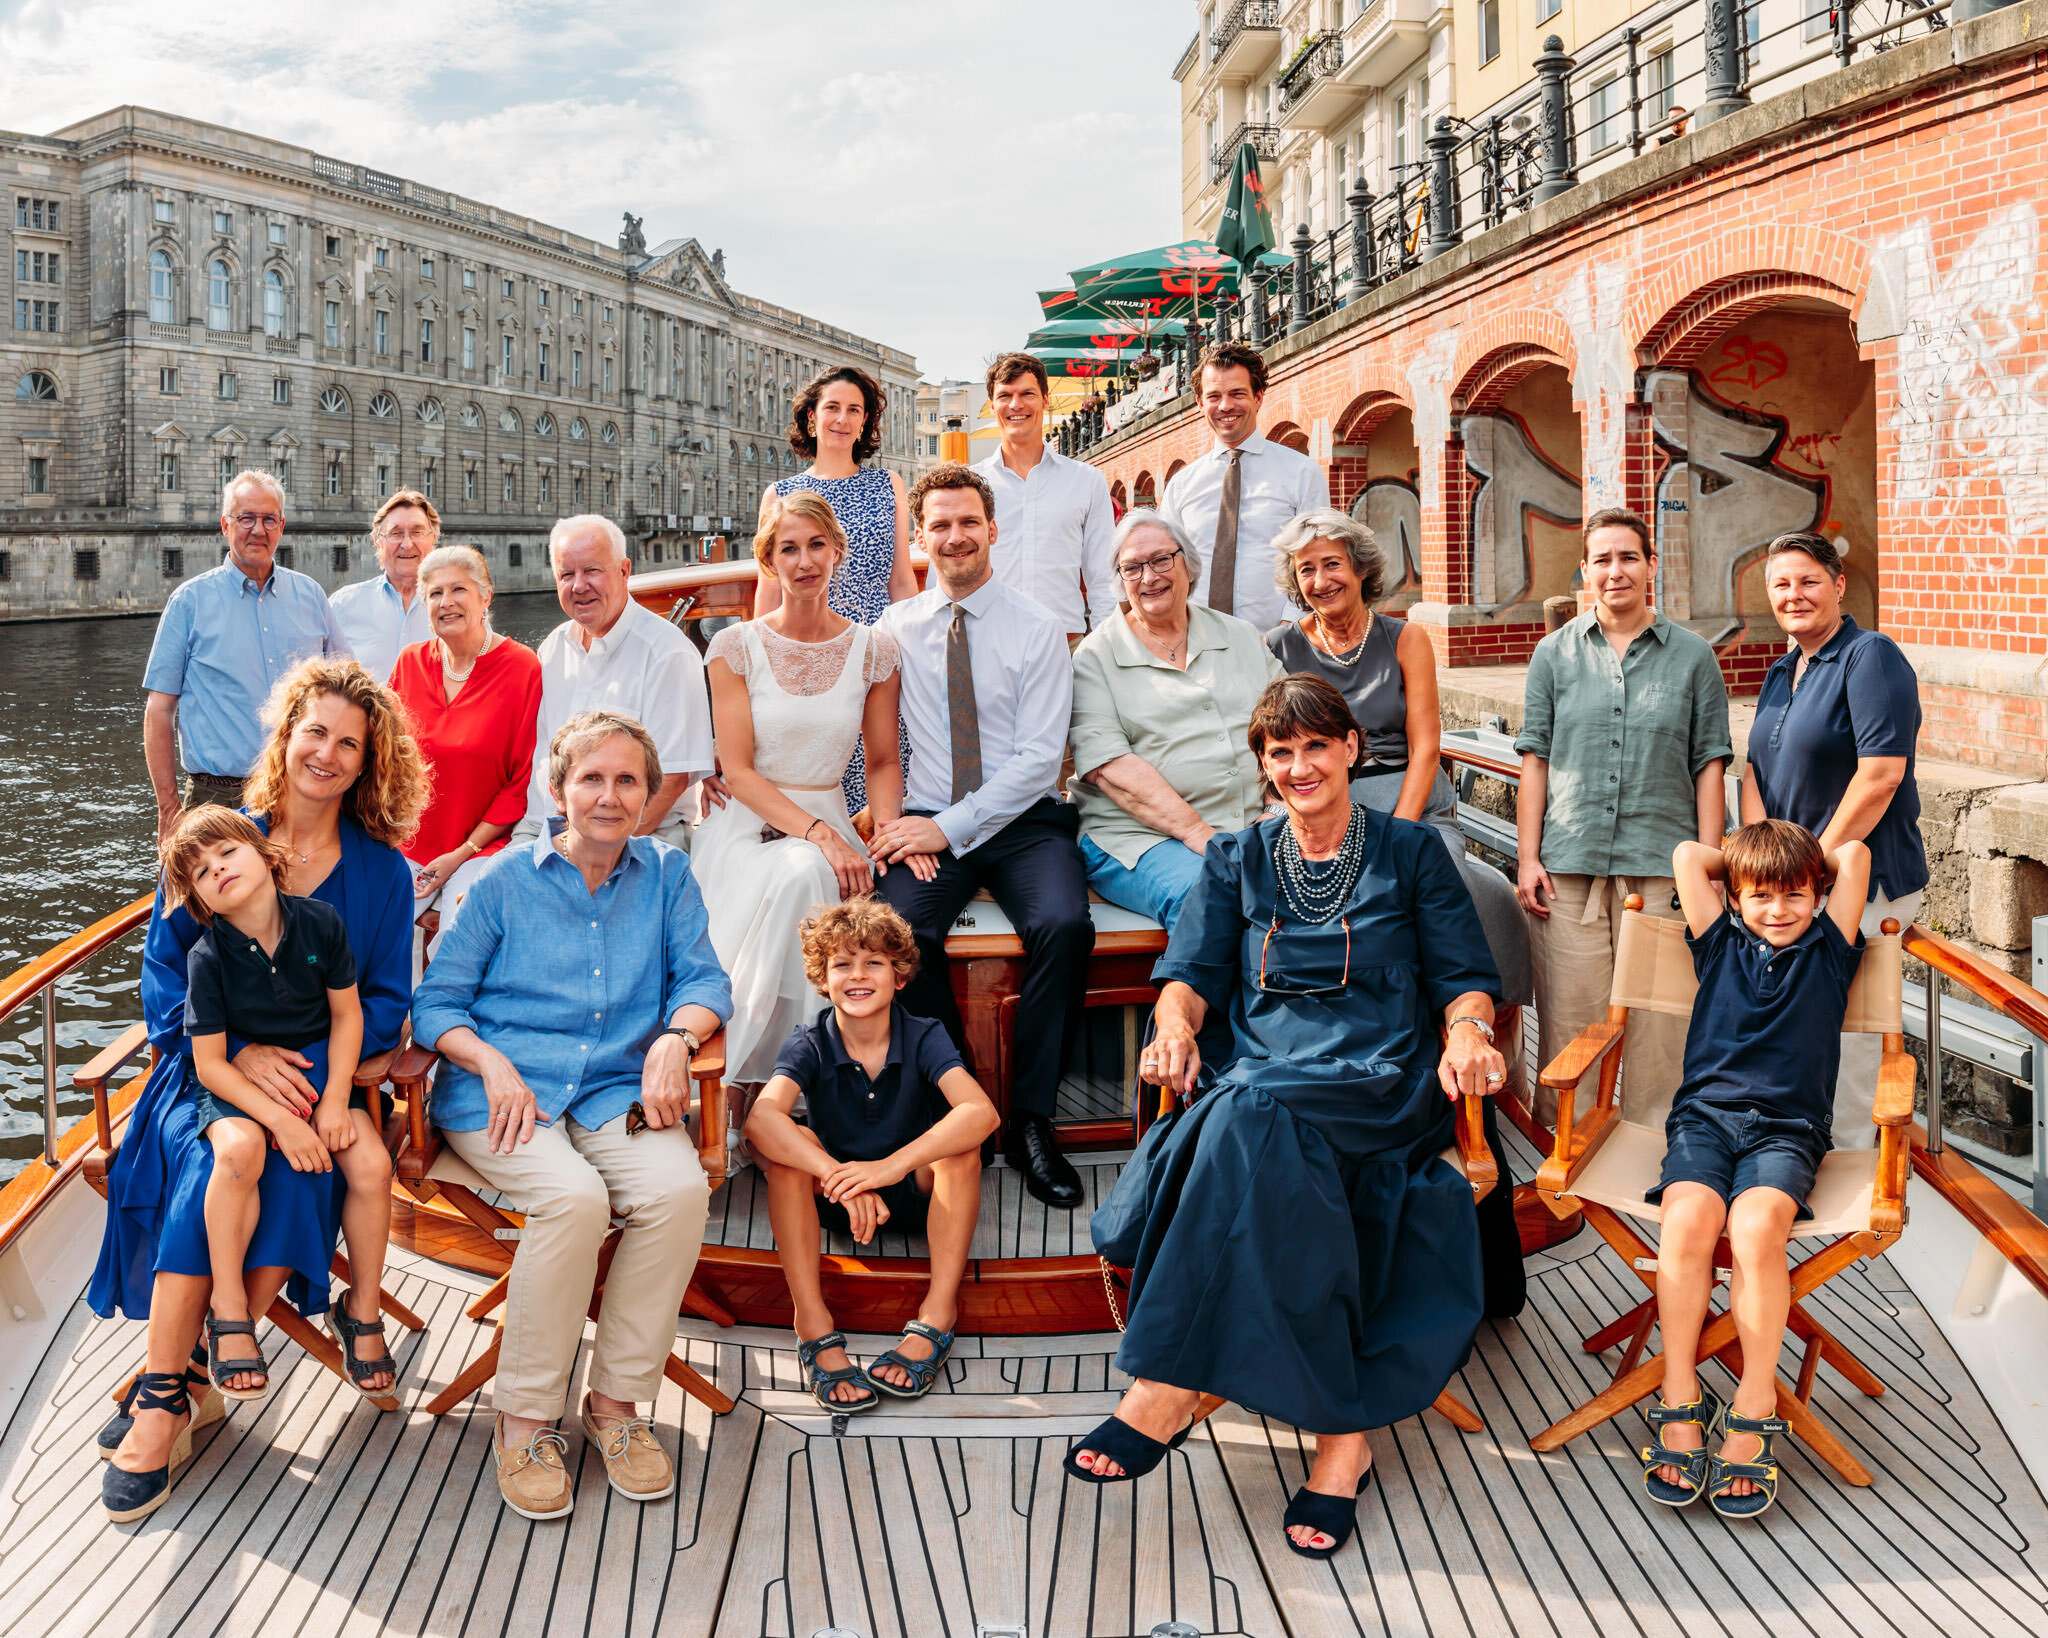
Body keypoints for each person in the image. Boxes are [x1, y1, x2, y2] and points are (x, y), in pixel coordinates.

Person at [1075, 675, 1506, 1562]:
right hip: (1271, 1072)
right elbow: (1189, 975)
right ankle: (1342, 1440)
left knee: (1243, 1116)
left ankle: (1165, 1386)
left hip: (1382, 1075)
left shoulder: (1414, 852)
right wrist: (1171, 1030)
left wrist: (1466, 1034)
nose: (1301, 765)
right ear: (1264, 767)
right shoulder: (1237, 858)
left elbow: (1465, 977)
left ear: (1352, 749)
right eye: (1281, 752)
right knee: (1250, 1115)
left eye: (1317, 745)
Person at [94, 656, 424, 1524]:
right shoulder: (216, 846)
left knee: (306, 1160)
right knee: (218, 1169)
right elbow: (166, 984)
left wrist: (311, 1074)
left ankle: (191, 1374)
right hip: (207, 1077)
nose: (328, 752)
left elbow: (386, 1000)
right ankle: (171, 1389)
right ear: (287, 736)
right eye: (314, 730)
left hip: (330, 1082)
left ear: (368, 761)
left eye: (349, 742)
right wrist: (244, 1057)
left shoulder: (383, 874)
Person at [412, 711, 733, 1523]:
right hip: (501, 1097)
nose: (609, 795)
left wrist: (674, 1038)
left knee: (677, 1190)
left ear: (649, 794)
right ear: (557, 792)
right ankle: (523, 1420)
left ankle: (617, 1405)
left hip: (613, 1091)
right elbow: (435, 1006)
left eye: (628, 780)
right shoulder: (496, 883)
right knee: (575, 1201)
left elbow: (705, 983)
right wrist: (488, 1061)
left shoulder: (666, 875)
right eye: (591, 778)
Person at [870, 464, 1091, 1211]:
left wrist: (946, 824)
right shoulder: (893, 631)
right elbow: (878, 743)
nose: (955, 536)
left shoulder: (1036, 627)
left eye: (969, 522)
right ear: (921, 537)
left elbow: (1038, 762)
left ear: (992, 530)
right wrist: (907, 825)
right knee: (898, 931)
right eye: (940, 525)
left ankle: (1032, 1118)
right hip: (932, 821)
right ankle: (964, 1101)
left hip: (1023, 822)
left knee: (1064, 924)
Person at [1643, 822, 1870, 1521]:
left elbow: (1855, 854)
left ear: (1818, 894)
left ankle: (1753, 1398)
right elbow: (1687, 855)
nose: (1777, 910)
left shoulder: (1829, 950)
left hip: (1786, 1130)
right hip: (1704, 1119)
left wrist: (1804, 864)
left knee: (1755, 1229)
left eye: (1795, 895)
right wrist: (1749, 866)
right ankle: (1679, 1391)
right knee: (1685, 1226)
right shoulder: (1719, 941)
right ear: (1734, 897)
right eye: (1760, 897)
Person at [158, 806, 394, 1408]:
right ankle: (229, 1308)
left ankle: (361, 1310)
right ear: (201, 901)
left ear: (265, 854)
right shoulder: (206, 959)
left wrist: (337, 1101)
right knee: (238, 1151)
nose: (218, 870)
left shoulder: (320, 924)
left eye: (227, 853)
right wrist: (283, 1122)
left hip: (319, 1078)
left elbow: (348, 1015)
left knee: (371, 1167)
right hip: (237, 1089)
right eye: (203, 872)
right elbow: (210, 1064)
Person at [1515, 508, 1732, 1127]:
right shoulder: (1553, 655)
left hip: (1665, 871)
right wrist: (1528, 858)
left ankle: (1656, 1147)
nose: (1616, 572)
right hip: (1569, 867)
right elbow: (1536, 759)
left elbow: (1709, 765)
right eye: (1602, 560)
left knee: (1662, 1026)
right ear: (1585, 571)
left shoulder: (1693, 658)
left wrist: (1710, 869)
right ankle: (1566, 1155)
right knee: (1569, 1022)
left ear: (1650, 566)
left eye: (1628, 557)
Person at [746, 899, 999, 1411]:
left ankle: (937, 1313)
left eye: (873, 963)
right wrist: (837, 1175)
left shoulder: (923, 1033)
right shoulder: (811, 1041)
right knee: (788, 1156)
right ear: (823, 977)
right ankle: (811, 1321)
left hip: (911, 1193)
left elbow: (981, 1112)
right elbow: (759, 1120)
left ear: (899, 976)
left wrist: (887, 1168)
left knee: (960, 1147)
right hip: (836, 1197)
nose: (857, 976)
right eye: (842, 964)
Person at [697, 489, 907, 1089]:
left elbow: (885, 761)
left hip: (834, 821)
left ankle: (801, 1085)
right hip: (749, 825)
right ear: (770, 561)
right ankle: (763, 1083)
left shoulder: (874, 650)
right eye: (788, 548)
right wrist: (819, 837)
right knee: (801, 871)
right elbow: (736, 772)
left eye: (817, 545)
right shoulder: (735, 648)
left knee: (819, 874)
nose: (805, 560)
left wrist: (886, 831)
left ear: (838, 552)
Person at [1743, 530, 1927, 1141]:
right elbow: (1755, 773)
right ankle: (1796, 1150)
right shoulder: (1780, 670)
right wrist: (1755, 867)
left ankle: (1848, 1176)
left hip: (1859, 887)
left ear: (1839, 585)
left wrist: (1807, 871)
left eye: (1808, 581)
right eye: (1780, 584)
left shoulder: (1869, 656)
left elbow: (1880, 776)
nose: (1793, 595)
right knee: (1798, 1028)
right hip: (1791, 891)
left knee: (1848, 1042)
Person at [1069, 509, 1279, 932]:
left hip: (1255, 824)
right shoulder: (1095, 658)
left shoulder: (1238, 636)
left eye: (1161, 560)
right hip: (1141, 838)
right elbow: (1111, 769)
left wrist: (1277, 808)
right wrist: (1201, 834)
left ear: (1188, 564)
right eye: (1131, 567)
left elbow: (1294, 725)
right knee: (1208, 898)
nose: (1149, 577)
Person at [142, 469, 351, 835]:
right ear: (225, 525)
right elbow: (159, 712)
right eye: (246, 518)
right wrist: (168, 809)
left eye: (269, 519)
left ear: (282, 525)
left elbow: (348, 690)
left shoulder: (311, 596)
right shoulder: (189, 602)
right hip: (218, 797)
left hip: (301, 790)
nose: (258, 529)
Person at [758, 365, 916, 814]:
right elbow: (769, 589)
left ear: (865, 421)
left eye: (854, 410)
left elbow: (901, 580)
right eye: (832, 408)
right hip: (808, 650)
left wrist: (910, 655)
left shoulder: (888, 485)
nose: (842, 419)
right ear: (811, 416)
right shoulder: (782, 493)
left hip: (875, 649)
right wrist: (760, 662)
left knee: (882, 760)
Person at [1266, 508, 1460, 851]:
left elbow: (1425, 749)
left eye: (1332, 564)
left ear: (1360, 568)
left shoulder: (1406, 639)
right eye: (1306, 570)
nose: (1321, 582)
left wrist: (1400, 832)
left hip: (1412, 805)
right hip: (1322, 809)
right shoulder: (1277, 647)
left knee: (1434, 886)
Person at [520, 515, 714, 849]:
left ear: (624, 571)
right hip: (541, 832)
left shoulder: (668, 654)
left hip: (634, 841)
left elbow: (669, 783)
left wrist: (577, 852)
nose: (579, 586)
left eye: (592, 570)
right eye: (567, 574)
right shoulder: (553, 649)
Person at [389, 545, 543, 940]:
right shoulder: (410, 662)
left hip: (482, 847)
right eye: (435, 593)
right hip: (405, 845)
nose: (446, 602)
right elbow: (385, 759)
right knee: (366, 937)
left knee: (461, 940)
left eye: (459, 590)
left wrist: (461, 855)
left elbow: (520, 782)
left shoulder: (521, 666)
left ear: (485, 597)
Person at [1160, 344, 1329, 634]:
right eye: (1214, 396)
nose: (1225, 406)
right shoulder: (1181, 486)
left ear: (1258, 397)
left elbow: (1318, 556)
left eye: (1237, 393)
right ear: (1200, 403)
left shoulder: (1302, 473)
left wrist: (1289, 629)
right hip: (1197, 642)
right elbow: (1165, 564)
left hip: (1278, 643)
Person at [972, 352, 1119, 638]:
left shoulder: (1086, 481)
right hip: (988, 642)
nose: (1016, 405)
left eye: (1027, 393)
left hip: (1065, 643)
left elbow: (1103, 577)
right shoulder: (972, 485)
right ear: (992, 405)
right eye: (1005, 396)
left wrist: (1106, 650)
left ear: (1045, 399)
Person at [329, 490, 437, 683]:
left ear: (433, 538)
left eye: (417, 532)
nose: (407, 544)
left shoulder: (457, 607)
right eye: (396, 533)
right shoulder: (342, 605)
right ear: (378, 541)